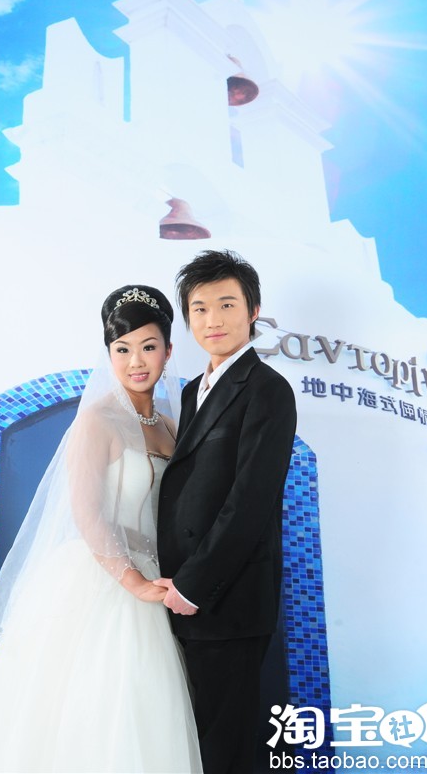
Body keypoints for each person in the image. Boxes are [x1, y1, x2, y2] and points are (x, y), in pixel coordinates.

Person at [0, 285, 203, 774]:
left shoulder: (172, 427)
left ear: (168, 350)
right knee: (83, 712)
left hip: (154, 580)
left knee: (143, 716)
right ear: (108, 354)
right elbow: (87, 512)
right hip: (101, 579)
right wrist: (133, 581)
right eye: (122, 349)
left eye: (148, 346)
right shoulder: (97, 420)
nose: (136, 361)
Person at [155, 251, 297, 774]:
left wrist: (193, 586)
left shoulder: (268, 390)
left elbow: (250, 503)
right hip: (182, 595)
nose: (212, 319)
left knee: (223, 750)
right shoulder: (193, 391)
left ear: (253, 311)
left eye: (227, 304)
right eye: (199, 308)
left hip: (226, 601)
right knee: (190, 743)